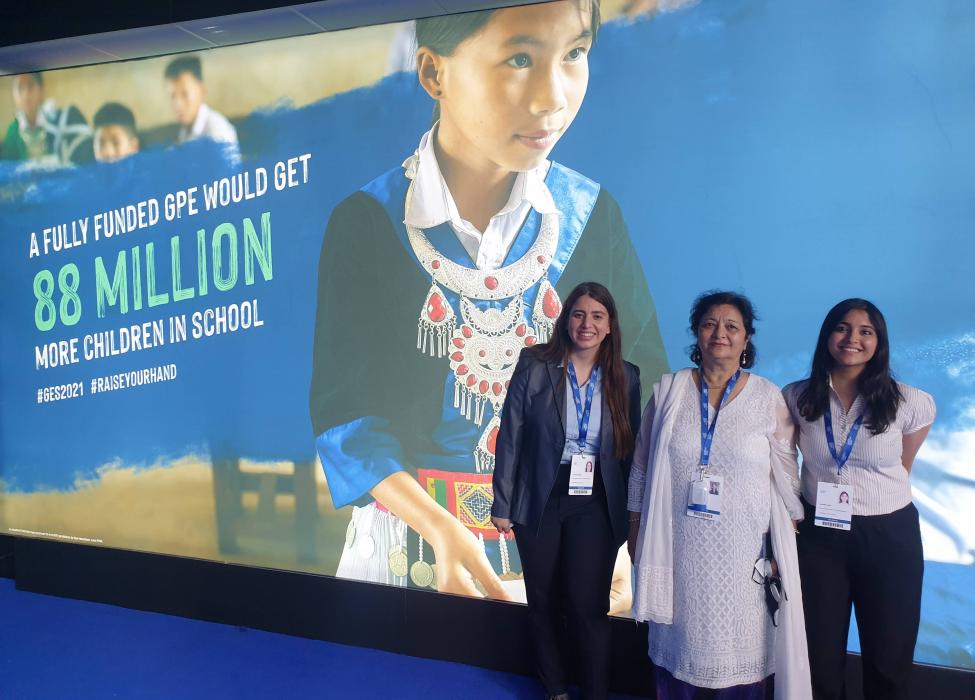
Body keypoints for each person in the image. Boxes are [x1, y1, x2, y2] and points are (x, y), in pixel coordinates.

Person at [309, 0, 668, 608]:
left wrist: (628, 532)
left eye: (575, 54)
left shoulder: (591, 214)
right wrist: (442, 530)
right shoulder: (367, 223)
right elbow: (347, 421)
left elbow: (640, 389)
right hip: (414, 551)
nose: (552, 96)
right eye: (521, 58)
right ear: (433, 73)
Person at [628, 291, 811, 700]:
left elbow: (786, 476)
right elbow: (641, 467)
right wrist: (635, 529)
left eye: (732, 326)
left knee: (738, 657)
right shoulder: (668, 392)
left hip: (744, 554)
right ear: (697, 333)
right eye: (710, 324)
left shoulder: (768, 398)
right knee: (681, 650)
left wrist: (786, 546)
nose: (720, 333)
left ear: (747, 340)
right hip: (678, 549)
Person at [490, 282, 641, 700]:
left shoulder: (626, 376)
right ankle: (555, 688)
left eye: (596, 316)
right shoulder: (535, 363)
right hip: (540, 494)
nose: (586, 324)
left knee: (587, 604)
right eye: (578, 314)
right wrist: (502, 502)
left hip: (597, 498)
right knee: (542, 597)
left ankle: (594, 691)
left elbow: (629, 452)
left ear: (610, 326)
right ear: (565, 319)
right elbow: (512, 434)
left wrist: (633, 513)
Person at [783, 299, 935, 700]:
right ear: (827, 335)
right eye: (842, 328)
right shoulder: (797, 397)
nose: (853, 338)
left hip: (888, 535)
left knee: (889, 657)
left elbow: (903, 466)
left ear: (879, 341)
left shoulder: (909, 401)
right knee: (818, 657)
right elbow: (784, 459)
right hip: (820, 538)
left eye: (866, 331)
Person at [1, 72, 92, 164]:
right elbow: (8, 167)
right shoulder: (13, 131)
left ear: (41, 90)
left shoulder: (58, 121)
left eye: (30, 86)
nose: (25, 94)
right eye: (20, 88)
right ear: (13, 93)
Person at [163, 56, 238, 146]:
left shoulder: (217, 133)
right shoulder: (185, 131)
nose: (178, 104)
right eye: (173, 96)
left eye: (185, 94)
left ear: (202, 90)